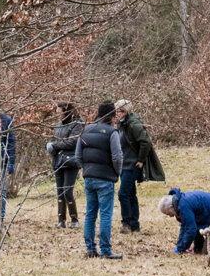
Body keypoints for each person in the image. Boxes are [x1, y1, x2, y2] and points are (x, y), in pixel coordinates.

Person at [78, 101, 125, 259]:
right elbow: (117, 157)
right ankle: (105, 250)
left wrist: (85, 169)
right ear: (111, 115)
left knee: (90, 214)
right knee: (105, 214)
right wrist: (116, 173)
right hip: (105, 179)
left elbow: (78, 155)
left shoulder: (85, 130)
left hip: (89, 177)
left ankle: (90, 249)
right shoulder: (112, 133)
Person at [114, 99, 163, 232]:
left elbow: (145, 142)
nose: (116, 114)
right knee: (130, 193)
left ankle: (127, 223)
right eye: (116, 111)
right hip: (124, 164)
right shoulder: (122, 124)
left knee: (123, 194)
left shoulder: (133, 124)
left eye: (118, 111)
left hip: (132, 164)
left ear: (126, 111)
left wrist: (140, 160)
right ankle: (134, 224)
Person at [158, 186, 210, 256]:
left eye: (168, 213)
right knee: (203, 243)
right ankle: (199, 248)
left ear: (171, 206)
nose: (169, 216)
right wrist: (180, 246)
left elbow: (191, 229)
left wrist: (181, 249)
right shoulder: (180, 202)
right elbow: (185, 226)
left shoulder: (183, 206)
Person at [47, 104, 82, 227]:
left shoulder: (77, 124)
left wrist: (55, 145)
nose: (58, 115)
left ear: (66, 112)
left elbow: (72, 142)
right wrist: (51, 145)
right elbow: (54, 139)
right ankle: (61, 220)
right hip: (58, 161)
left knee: (68, 191)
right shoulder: (59, 125)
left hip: (71, 161)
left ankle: (74, 219)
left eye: (60, 113)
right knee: (60, 192)